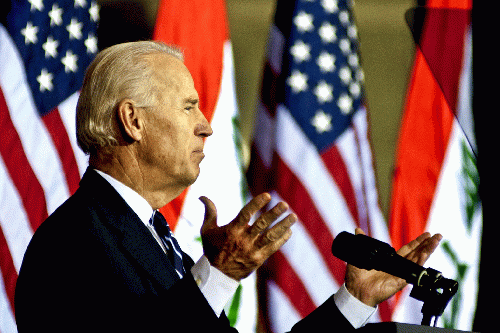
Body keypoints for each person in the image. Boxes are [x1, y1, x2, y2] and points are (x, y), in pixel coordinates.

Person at [14, 41, 442, 332]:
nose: (206, 126)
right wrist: (215, 276)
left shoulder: (159, 245)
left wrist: (355, 299)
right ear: (132, 120)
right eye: (187, 107)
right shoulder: (72, 242)